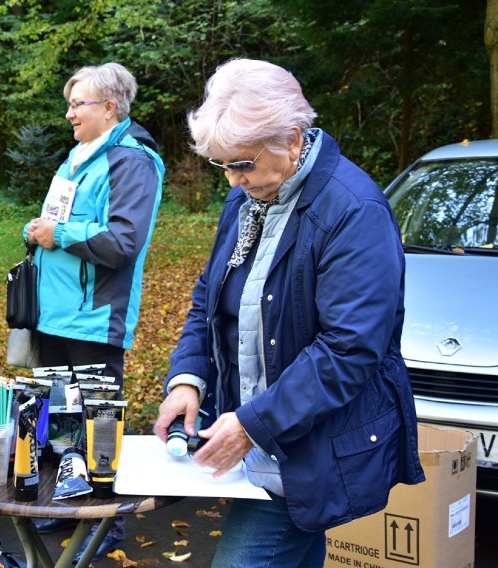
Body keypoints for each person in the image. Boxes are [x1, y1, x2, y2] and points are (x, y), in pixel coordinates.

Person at [152, 58, 425, 567]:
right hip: (267, 443)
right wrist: (187, 378)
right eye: (224, 165)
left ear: (293, 138)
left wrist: (253, 424)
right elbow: (208, 300)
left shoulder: (353, 211)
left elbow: (349, 350)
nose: (232, 181)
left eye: (243, 164)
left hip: (306, 449)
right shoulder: (250, 199)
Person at [24, 62, 164, 561]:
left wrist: (57, 235)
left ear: (109, 108)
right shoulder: (78, 157)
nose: (68, 115)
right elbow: (59, 222)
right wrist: (37, 231)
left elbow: (124, 241)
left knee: (97, 422)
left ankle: (107, 529)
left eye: (77, 104)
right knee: (56, 416)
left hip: (93, 318)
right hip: (53, 314)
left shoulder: (131, 161)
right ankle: (61, 506)